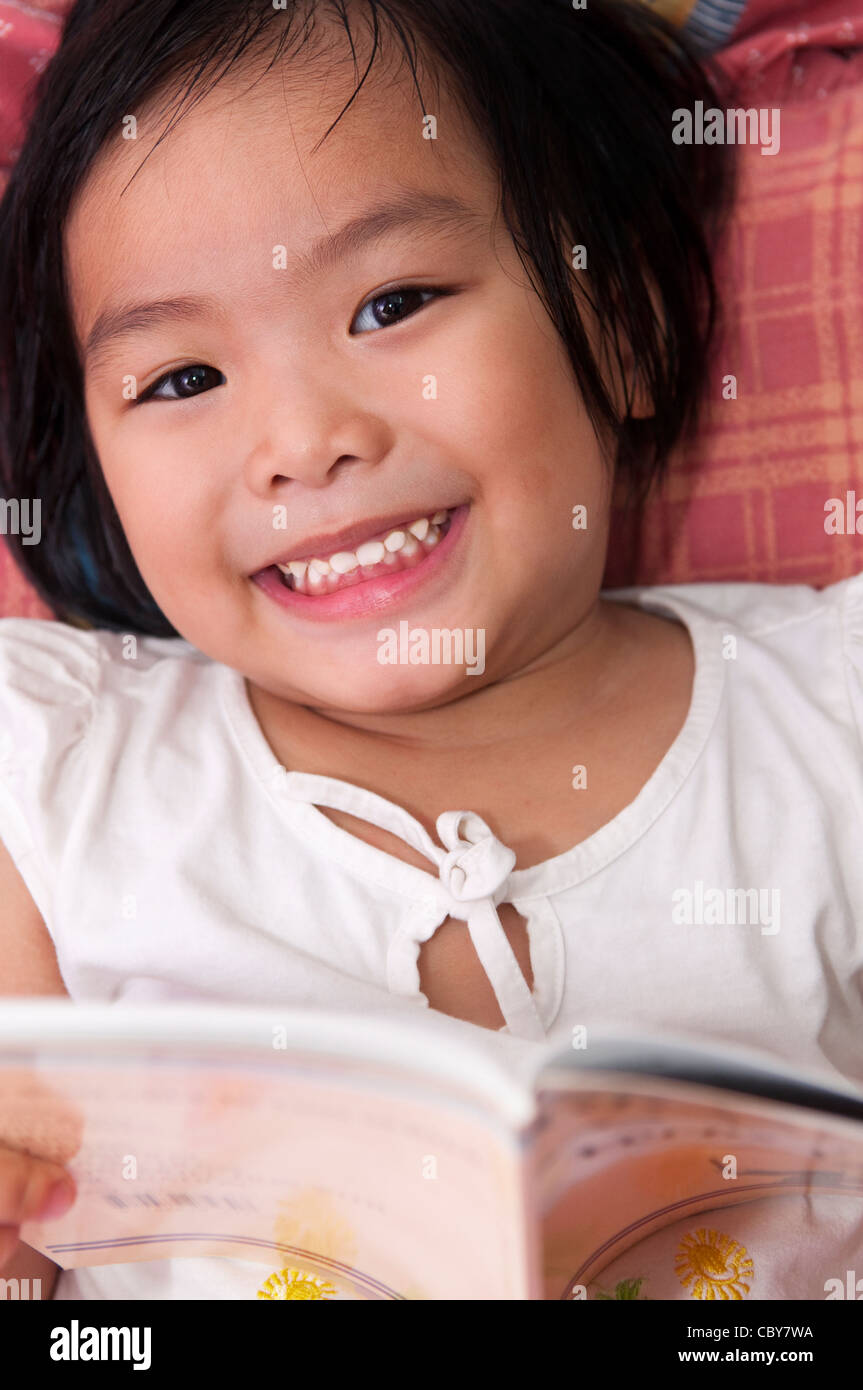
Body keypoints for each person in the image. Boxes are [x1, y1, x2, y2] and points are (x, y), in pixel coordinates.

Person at [0, 0, 859, 1300]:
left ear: (617, 315)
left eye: (392, 302)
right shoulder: (50, 782)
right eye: (180, 379)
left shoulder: (832, 721)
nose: (303, 440)